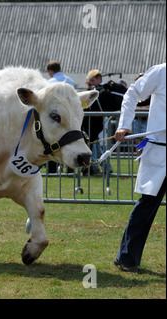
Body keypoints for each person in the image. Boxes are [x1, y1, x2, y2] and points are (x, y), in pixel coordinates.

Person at [113, 63, 166, 273]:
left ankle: (125, 257)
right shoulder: (162, 72)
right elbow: (132, 93)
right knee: (147, 205)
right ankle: (126, 257)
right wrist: (124, 123)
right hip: (159, 151)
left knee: (147, 205)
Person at [83, 69, 127, 176]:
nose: (92, 83)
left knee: (92, 142)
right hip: (96, 120)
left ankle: (93, 167)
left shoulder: (105, 90)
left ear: (99, 78)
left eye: (93, 80)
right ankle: (105, 167)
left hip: (95, 120)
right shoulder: (102, 90)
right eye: (90, 81)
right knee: (94, 143)